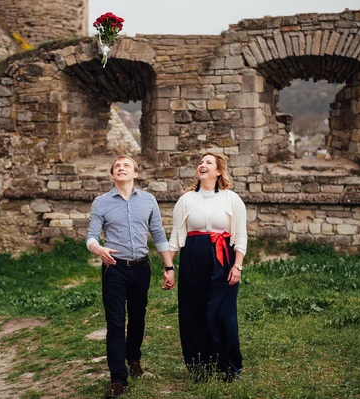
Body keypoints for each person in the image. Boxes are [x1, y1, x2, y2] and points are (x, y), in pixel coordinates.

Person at [86, 155, 176, 398]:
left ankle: (134, 359)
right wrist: (98, 249)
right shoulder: (101, 202)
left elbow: (158, 235)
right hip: (113, 267)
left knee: (137, 317)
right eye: (117, 166)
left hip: (141, 268)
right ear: (112, 174)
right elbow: (92, 236)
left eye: (126, 165)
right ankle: (118, 379)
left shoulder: (148, 200)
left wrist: (169, 268)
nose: (121, 167)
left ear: (135, 173)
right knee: (115, 322)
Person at [168, 152, 247, 381]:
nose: (202, 165)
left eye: (208, 162)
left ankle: (231, 366)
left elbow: (241, 235)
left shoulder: (231, 198)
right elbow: (176, 235)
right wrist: (168, 266)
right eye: (201, 162)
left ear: (218, 171)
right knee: (193, 313)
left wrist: (237, 266)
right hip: (193, 258)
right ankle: (200, 367)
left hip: (223, 260)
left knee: (224, 315)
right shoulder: (186, 200)